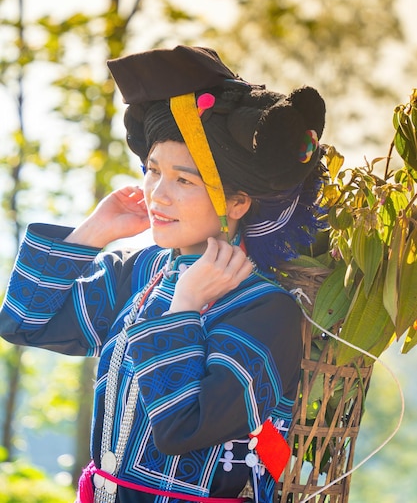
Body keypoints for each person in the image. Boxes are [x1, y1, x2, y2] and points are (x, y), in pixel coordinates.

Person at [0, 45, 326, 503]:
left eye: (184, 180)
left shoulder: (265, 310)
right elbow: (22, 322)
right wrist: (92, 233)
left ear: (238, 202)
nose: (158, 194)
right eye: (153, 171)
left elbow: (182, 426)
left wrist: (185, 308)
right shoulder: (142, 271)